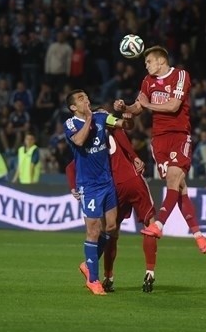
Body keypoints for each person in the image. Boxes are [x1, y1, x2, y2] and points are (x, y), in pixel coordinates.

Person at [114, 44, 206, 254]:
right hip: (158, 140)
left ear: (160, 61)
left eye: (148, 61)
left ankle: (158, 225)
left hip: (179, 135)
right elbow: (138, 107)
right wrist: (125, 108)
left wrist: (147, 105)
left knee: (173, 179)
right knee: (180, 187)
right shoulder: (147, 82)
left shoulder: (180, 75)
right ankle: (198, 235)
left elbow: (173, 106)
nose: (146, 65)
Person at [66, 110, 159, 293]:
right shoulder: (113, 130)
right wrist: (135, 157)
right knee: (150, 223)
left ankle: (107, 276)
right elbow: (124, 136)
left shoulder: (92, 137)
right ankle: (150, 271)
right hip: (131, 180)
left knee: (111, 231)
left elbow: (71, 166)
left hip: (111, 186)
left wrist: (72, 186)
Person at [64, 89, 132, 296]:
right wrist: (89, 119)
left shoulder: (102, 116)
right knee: (93, 231)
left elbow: (122, 125)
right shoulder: (71, 124)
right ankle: (93, 280)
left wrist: (126, 114)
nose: (87, 100)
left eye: (86, 96)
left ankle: (87, 264)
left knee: (112, 228)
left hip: (107, 182)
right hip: (89, 185)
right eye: (81, 99)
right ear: (73, 107)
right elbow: (79, 141)